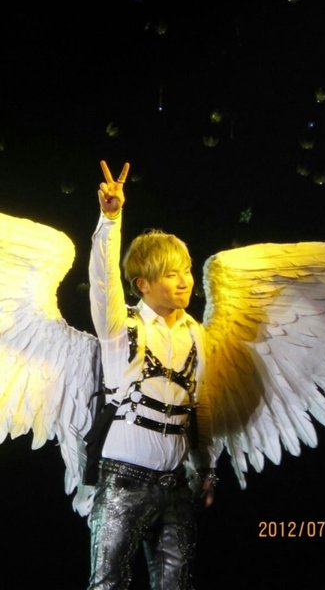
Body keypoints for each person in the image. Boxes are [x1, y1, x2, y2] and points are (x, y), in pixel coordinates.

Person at [87, 160, 217, 590]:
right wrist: (110, 220)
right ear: (143, 284)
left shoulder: (194, 332)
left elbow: (200, 406)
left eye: (186, 270)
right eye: (171, 274)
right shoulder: (120, 327)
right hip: (124, 481)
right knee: (108, 583)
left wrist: (206, 471)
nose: (184, 281)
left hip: (176, 485)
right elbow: (103, 281)